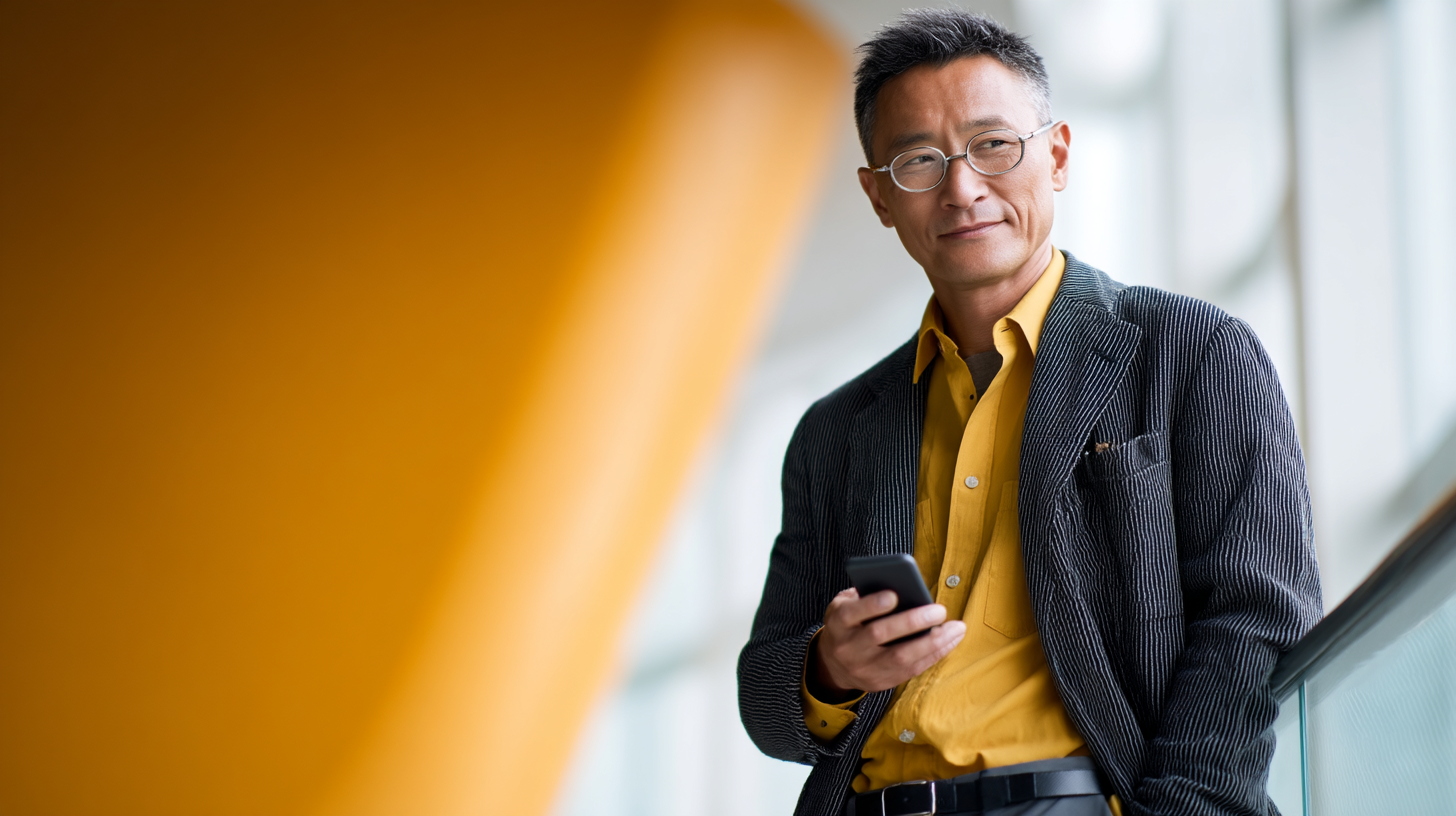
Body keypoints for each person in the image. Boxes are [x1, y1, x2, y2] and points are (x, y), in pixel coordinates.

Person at [737, 10, 1322, 816]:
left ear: (1056, 155)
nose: (962, 189)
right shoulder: (836, 432)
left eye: (993, 145)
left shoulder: (1195, 352)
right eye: (919, 161)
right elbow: (764, 694)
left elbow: (1255, 619)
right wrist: (828, 671)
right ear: (877, 196)